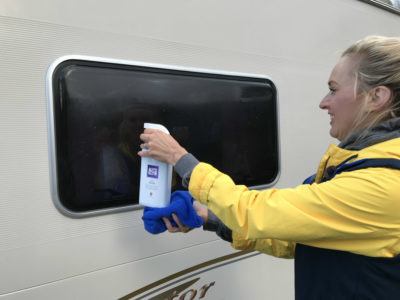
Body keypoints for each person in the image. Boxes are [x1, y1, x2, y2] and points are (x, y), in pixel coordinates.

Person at [138, 36, 400, 299]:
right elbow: (294, 240)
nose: (324, 103)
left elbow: (254, 212)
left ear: (377, 97)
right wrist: (206, 217)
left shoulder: (383, 184)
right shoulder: (359, 166)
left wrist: (178, 157)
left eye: (333, 89)